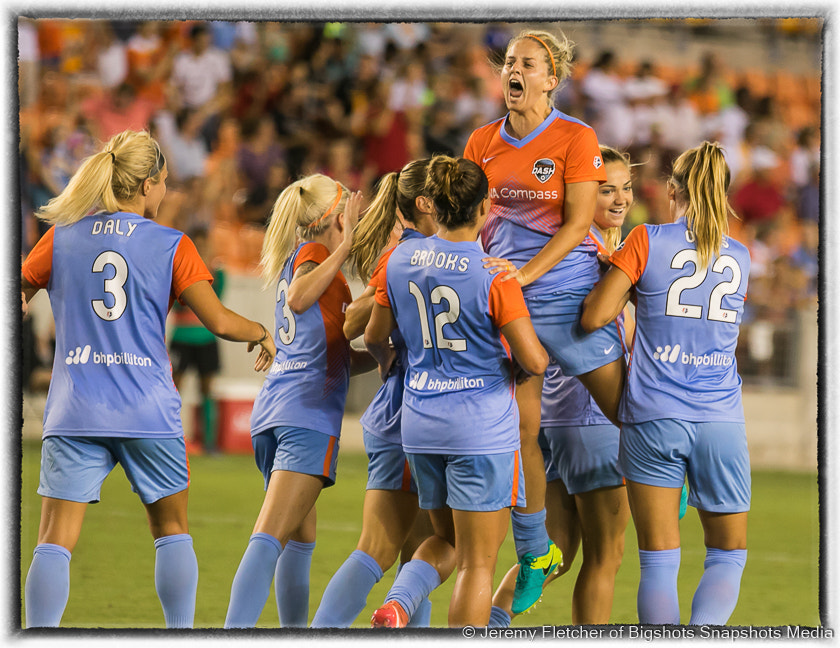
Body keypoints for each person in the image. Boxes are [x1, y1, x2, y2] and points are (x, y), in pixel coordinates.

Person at [20, 129, 276, 629]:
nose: (165, 193)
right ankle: (179, 635)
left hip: (75, 410)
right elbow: (220, 321)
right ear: (146, 185)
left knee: (54, 539)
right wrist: (262, 331)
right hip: (148, 411)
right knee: (171, 530)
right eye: (164, 183)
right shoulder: (171, 244)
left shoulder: (62, 235)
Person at [463, 28, 622, 614]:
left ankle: (673, 476)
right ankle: (534, 549)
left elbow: (580, 223)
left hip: (568, 299)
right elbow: (471, 221)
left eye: (528, 63)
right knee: (521, 431)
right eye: (509, 61)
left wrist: (523, 276)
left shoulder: (577, 138)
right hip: (508, 305)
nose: (515, 70)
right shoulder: (481, 141)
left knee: (627, 410)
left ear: (551, 78)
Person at [365, 155, 548, 628]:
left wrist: (392, 365)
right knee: (477, 562)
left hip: (421, 421)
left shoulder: (398, 258)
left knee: (445, 541)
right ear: (485, 206)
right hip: (480, 429)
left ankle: (398, 605)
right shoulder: (493, 274)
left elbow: (373, 336)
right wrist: (518, 369)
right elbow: (534, 359)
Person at [581, 141, 751, 625]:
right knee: (728, 555)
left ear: (672, 190)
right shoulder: (741, 256)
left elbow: (594, 316)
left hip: (653, 415)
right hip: (720, 418)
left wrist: (618, 280)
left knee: (658, 561)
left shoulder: (645, 240)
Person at [488, 146, 634, 626]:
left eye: (626, 189)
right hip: (593, 422)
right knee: (604, 558)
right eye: (606, 189)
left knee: (554, 554)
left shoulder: (547, 252)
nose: (619, 200)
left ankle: (489, 627)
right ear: (579, 194)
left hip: (549, 423)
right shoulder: (589, 257)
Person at [224, 174, 376, 628]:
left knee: (299, 538)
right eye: (346, 202)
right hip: (305, 415)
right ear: (331, 216)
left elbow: (338, 354)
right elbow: (298, 296)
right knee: (270, 536)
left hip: (276, 411)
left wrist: (389, 354)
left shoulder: (302, 258)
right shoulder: (314, 255)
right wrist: (345, 247)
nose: (355, 208)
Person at [311, 159, 444, 628]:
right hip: (419, 412)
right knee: (392, 550)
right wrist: (391, 358)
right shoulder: (418, 252)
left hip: (396, 413)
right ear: (426, 203)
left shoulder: (410, 250)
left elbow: (360, 324)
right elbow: (353, 323)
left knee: (412, 553)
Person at [168, 226, 226, 454]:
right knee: (174, 391)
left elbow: (217, 303)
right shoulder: (177, 270)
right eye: (198, 245)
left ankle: (209, 443)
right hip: (182, 336)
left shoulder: (218, 272)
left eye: (204, 245)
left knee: (207, 390)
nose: (201, 249)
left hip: (206, 337)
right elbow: (174, 303)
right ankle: (170, 440)